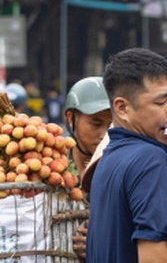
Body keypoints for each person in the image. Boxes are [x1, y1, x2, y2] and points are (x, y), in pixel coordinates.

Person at [86, 48, 167, 262]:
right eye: (161, 102)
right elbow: (156, 258)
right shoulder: (150, 159)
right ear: (122, 108)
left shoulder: (108, 159)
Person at [62, 77, 112, 260]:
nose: (105, 134)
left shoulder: (125, 169)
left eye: (112, 125)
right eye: (96, 124)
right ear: (71, 119)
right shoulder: (54, 169)